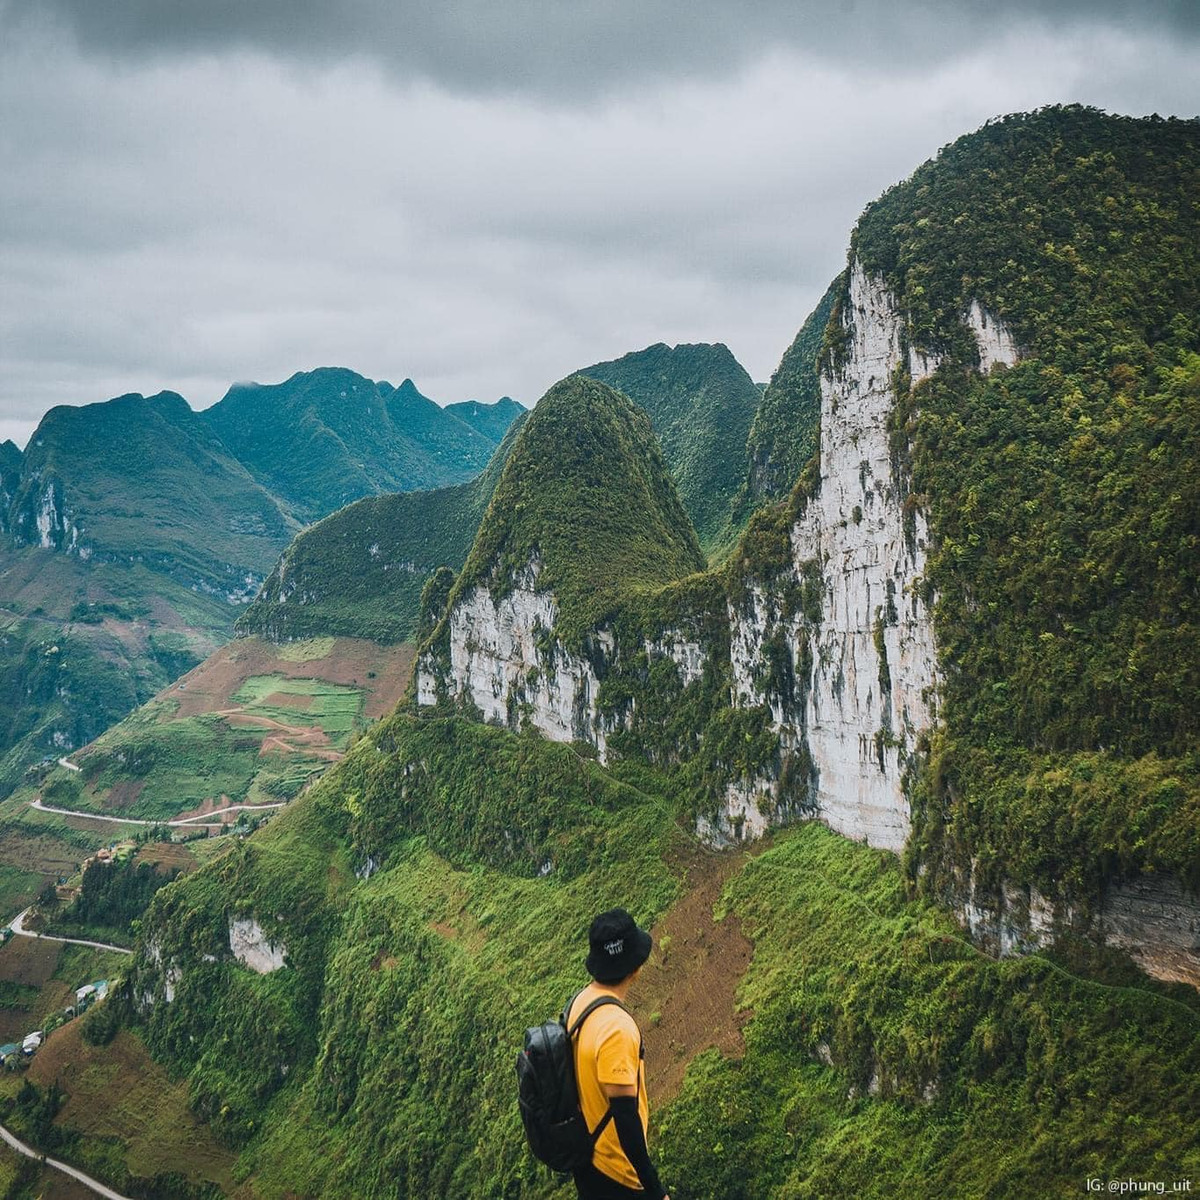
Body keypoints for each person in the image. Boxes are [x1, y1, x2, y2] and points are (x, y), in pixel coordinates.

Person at [567, 908, 670, 1200]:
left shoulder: (581, 1002)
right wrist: (655, 1190)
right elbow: (626, 1121)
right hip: (618, 1174)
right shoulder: (616, 1029)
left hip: (589, 1161)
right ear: (634, 967)